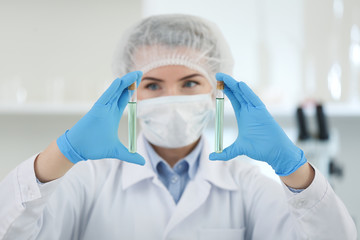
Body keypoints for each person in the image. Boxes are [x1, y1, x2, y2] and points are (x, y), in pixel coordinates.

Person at [0, 14, 356, 240]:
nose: (172, 98)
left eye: (189, 83)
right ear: (129, 94)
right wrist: (61, 154)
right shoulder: (89, 181)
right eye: (153, 85)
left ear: (217, 90)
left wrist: (295, 169)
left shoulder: (247, 184)